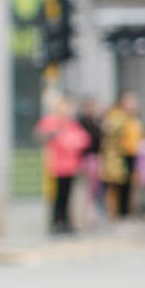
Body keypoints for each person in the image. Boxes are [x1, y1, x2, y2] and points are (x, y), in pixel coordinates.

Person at [35, 96, 89, 236]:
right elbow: (40, 135)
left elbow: (84, 139)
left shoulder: (72, 124)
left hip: (72, 166)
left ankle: (66, 221)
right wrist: (54, 135)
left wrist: (73, 142)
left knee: (68, 195)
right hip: (56, 167)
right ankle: (56, 222)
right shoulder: (50, 122)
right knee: (57, 196)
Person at [100, 91, 145, 219]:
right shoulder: (117, 116)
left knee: (130, 186)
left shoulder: (134, 118)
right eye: (130, 101)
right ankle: (119, 215)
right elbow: (109, 132)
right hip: (119, 156)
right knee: (118, 187)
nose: (133, 104)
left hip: (133, 154)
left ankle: (127, 213)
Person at [75, 96, 106, 229]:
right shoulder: (81, 122)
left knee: (96, 189)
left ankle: (94, 213)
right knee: (87, 189)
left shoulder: (98, 121)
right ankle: (86, 215)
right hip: (86, 158)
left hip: (97, 157)